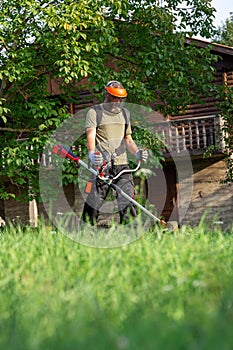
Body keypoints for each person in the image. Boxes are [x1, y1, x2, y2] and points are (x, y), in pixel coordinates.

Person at [82, 80, 148, 226]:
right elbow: (90, 137)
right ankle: (86, 230)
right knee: (95, 200)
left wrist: (137, 153)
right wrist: (92, 154)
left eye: (120, 99)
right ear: (107, 95)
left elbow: (128, 139)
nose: (117, 102)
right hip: (102, 164)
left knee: (128, 198)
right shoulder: (95, 113)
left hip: (121, 164)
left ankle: (130, 231)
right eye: (114, 98)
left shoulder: (125, 114)